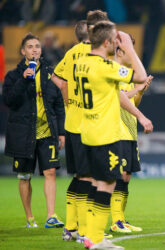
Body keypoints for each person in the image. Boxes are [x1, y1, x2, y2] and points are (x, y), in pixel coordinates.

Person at [76, 21, 152, 249]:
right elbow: (140, 75)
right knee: (108, 183)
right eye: (116, 40)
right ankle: (96, 239)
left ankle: (90, 235)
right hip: (105, 133)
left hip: (87, 131)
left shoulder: (81, 63)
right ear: (108, 42)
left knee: (95, 182)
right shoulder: (105, 67)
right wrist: (129, 47)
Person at [51, 11, 110, 243]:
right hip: (89, 124)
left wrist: (68, 101)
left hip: (72, 121)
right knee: (90, 177)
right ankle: (85, 231)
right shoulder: (96, 54)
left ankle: (71, 227)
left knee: (79, 176)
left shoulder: (72, 52)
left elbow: (57, 78)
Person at [3, 33, 65, 229]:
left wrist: (62, 132)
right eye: (30, 46)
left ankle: (51, 215)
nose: (35, 49)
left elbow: (58, 105)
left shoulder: (50, 74)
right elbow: (8, 101)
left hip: (47, 132)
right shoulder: (13, 75)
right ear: (23, 51)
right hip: (23, 134)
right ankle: (30, 217)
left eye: (37, 46)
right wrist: (23, 80)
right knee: (24, 176)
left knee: (51, 172)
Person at [110, 40, 153, 233]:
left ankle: (121, 219)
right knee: (118, 175)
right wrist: (138, 87)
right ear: (119, 51)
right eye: (129, 49)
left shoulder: (126, 75)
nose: (132, 53)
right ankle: (115, 221)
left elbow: (133, 102)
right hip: (115, 130)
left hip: (129, 130)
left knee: (126, 176)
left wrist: (140, 91)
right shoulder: (111, 71)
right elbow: (117, 97)